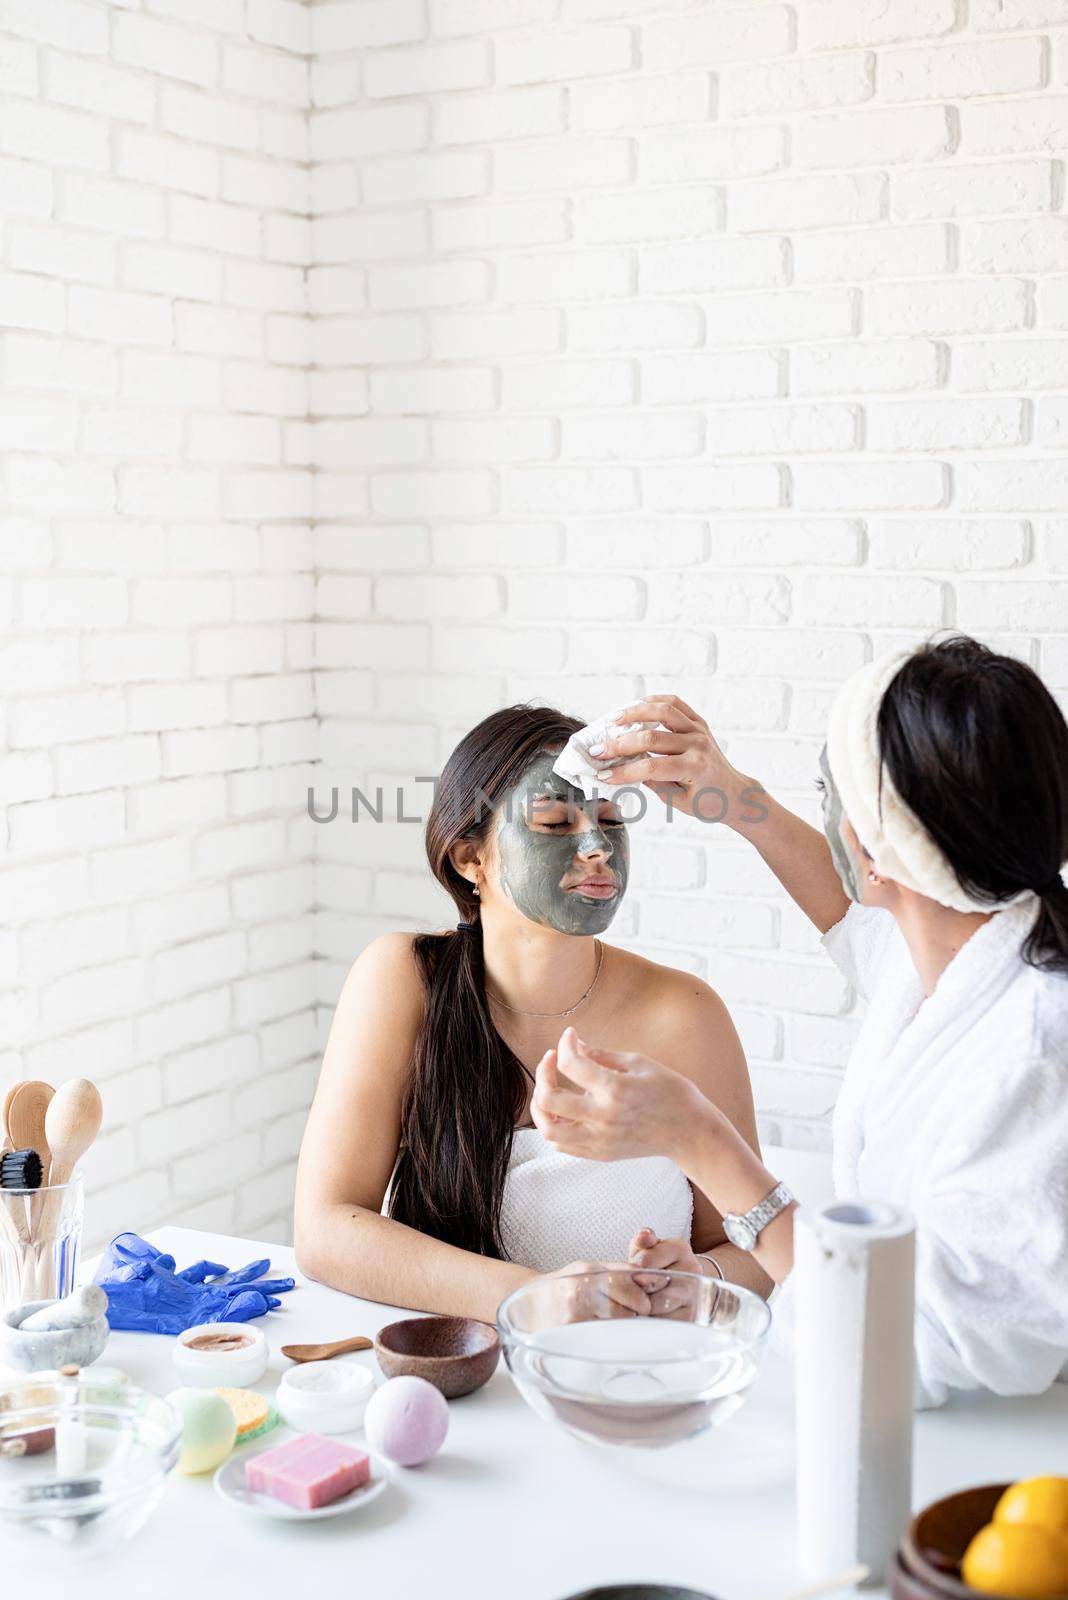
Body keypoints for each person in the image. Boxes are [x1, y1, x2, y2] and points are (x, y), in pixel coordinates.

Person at [531, 637, 1068, 1408]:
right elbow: (860, 916)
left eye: (834, 791)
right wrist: (729, 794)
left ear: (885, 851)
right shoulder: (957, 950)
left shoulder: (1036, 1049)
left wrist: (700, 1139)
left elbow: (928, 1339)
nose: (827, 812)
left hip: (987, 1445)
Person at [294, 705, 771, 1324]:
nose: (598, 847)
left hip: (630, 1380)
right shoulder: (404, 980)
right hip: (456, 1378)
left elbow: (754, 1249)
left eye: (609, 819)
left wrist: (700, 1281)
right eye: (553, 824)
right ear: (471, 860)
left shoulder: (685, 1014)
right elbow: (326, 1228)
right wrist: (536, 1298)